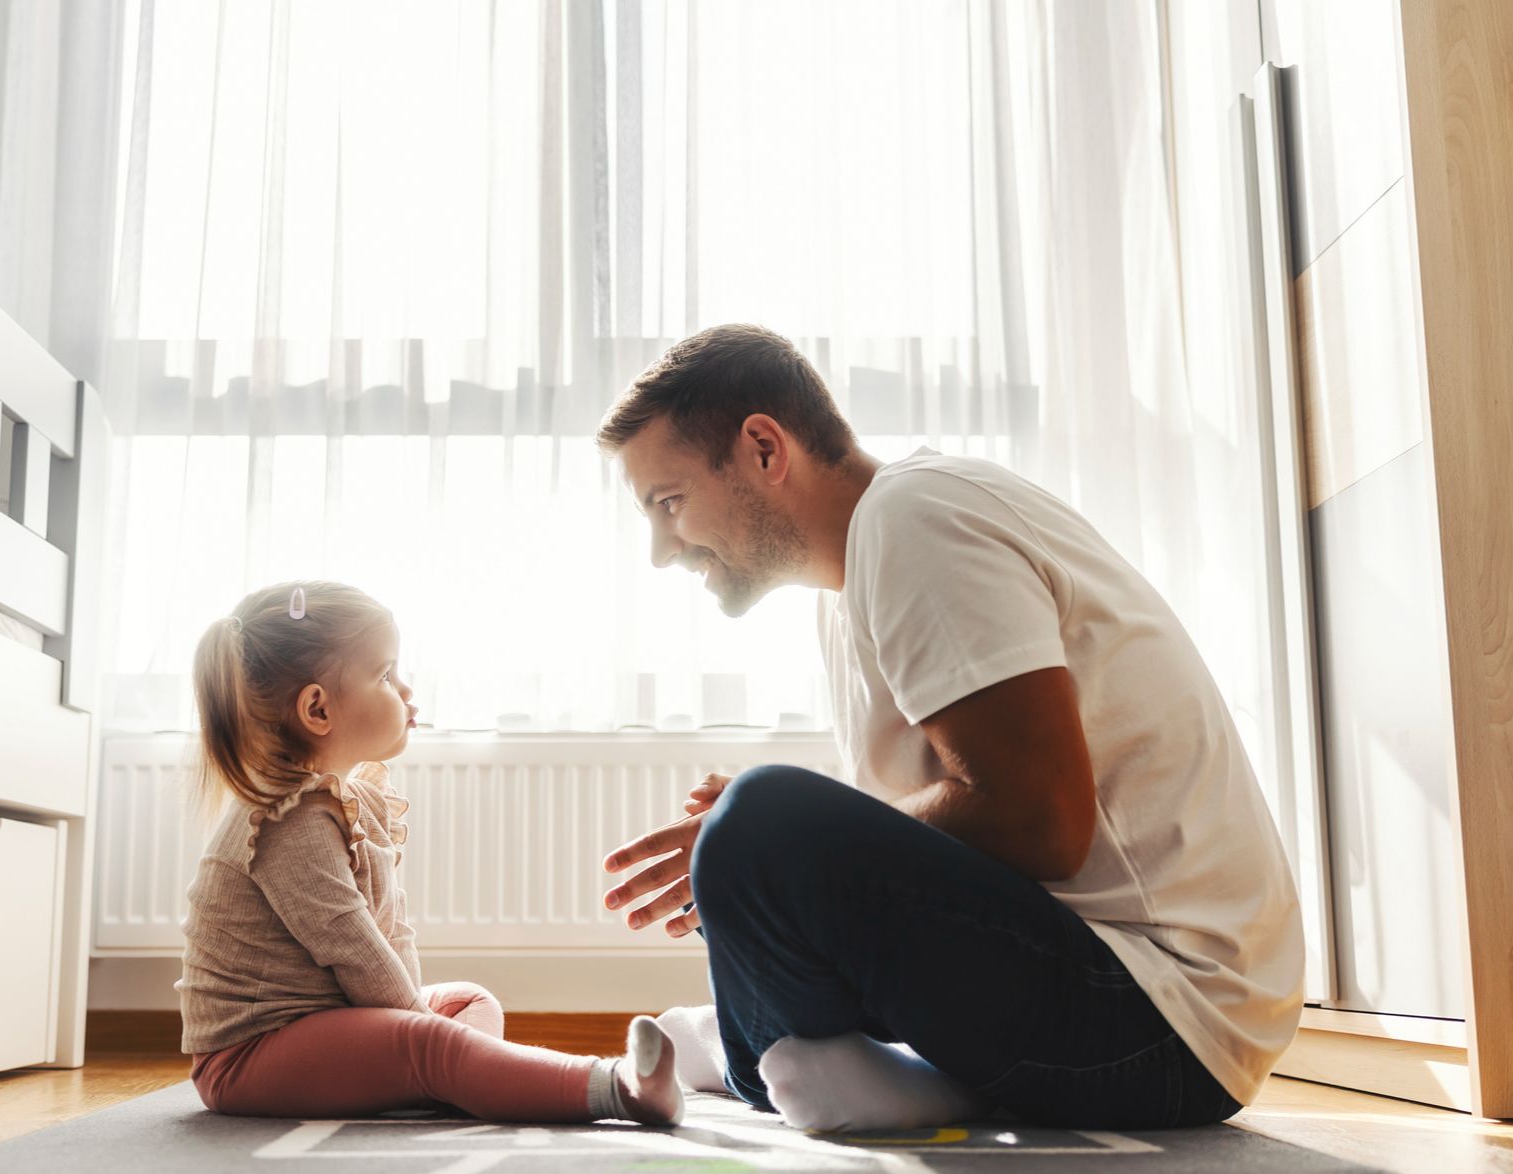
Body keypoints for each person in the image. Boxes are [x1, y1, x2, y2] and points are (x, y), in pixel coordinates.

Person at [597, 324, 1303, 1131]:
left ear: (763, 447)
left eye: (669, 503)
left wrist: (780, 838)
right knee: (751, 835)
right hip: (1128, 1005)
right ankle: (813, 1062)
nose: (661, 549)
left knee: (759, 818)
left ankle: (770, 1059)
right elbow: (940, 844)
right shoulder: (852, 583)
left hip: (1163, 1018)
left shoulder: (915, 517)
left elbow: (1041, 821)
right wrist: (784, 854)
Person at [179, 580, 681, 1126]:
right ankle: (619, 1090)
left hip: (327, 1022)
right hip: (249, 1058)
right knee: (429, 1041)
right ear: (317, 709)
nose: (407, 690)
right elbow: (355, 950)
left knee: (468, 1001)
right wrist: (421, 1031)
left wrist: (422, 1023)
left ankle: (448, 1082)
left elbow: (389, 931)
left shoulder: (343, 800)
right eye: (385, 676)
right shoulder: (286, 820)